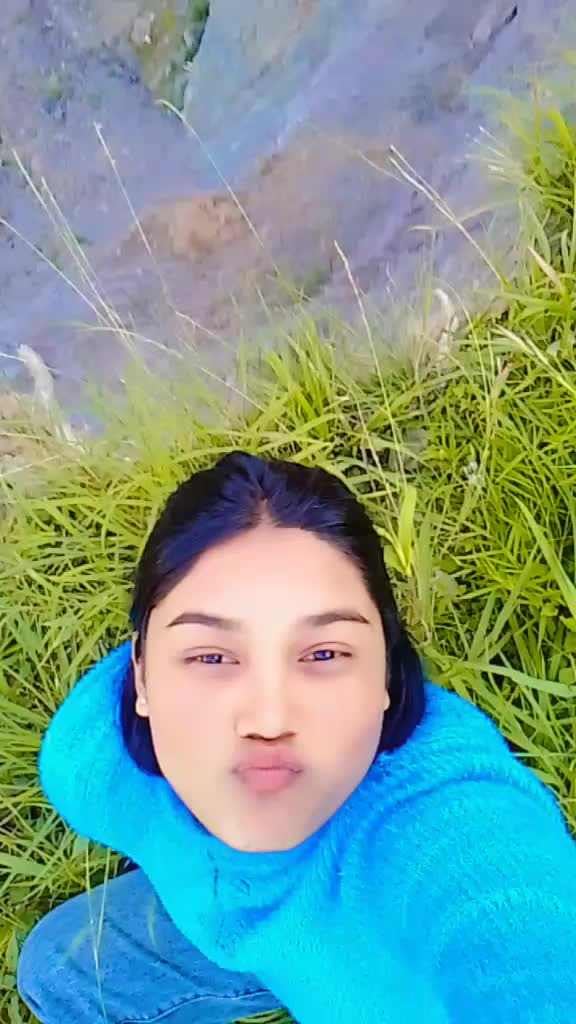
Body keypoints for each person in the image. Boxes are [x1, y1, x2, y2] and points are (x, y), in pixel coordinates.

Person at [17, 450, 576, 1024]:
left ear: (386, 671)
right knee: (59, 974)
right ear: (141, 676)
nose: (268, 719)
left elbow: (523, 939)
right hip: (256, 940)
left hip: (390, 970)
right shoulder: (90, 763)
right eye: (212, 656)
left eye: (324, 654)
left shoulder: (447, 827)